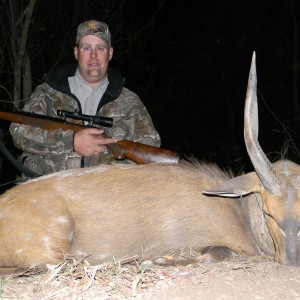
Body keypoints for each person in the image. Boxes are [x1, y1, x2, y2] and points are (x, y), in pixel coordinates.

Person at [10, 20, 161, 176]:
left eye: (100, 48)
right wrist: (71, 141)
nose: (93, 55)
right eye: (86, 48)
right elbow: (19, 131)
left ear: (110, 53)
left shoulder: (130, 102)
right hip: (51, 193)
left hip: (106, 197)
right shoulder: (48, 92)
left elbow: (152, 149)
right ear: (76, 52)